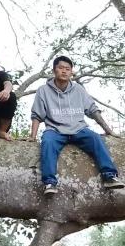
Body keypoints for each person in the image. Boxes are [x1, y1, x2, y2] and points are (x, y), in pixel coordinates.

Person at [31, 55, 125, 195]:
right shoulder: (43, 90)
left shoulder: (78, 89)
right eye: (61, 68)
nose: (64, 71)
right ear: (54, 70)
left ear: (71, 72)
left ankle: (109, 176)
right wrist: (32, 137)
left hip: (79, 129)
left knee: (95, 138)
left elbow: (92, 110)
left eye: (67, 69)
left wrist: (108, 130)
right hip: (55, 130)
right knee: (47, 142)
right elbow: (37, 115)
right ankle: (49, 183)